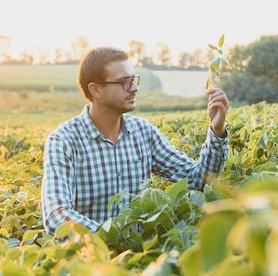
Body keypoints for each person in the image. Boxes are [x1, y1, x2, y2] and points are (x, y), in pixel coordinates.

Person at [41, 46, 229, 235]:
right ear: (96, 90)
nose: (134, 88)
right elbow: (56, 215)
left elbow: (196, 181)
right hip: (92, 259)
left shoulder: (143, 132)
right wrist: (113, 237)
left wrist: (216, 130)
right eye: (124, 82)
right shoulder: (64, 141)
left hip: (141, 257)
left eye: (133, 79)